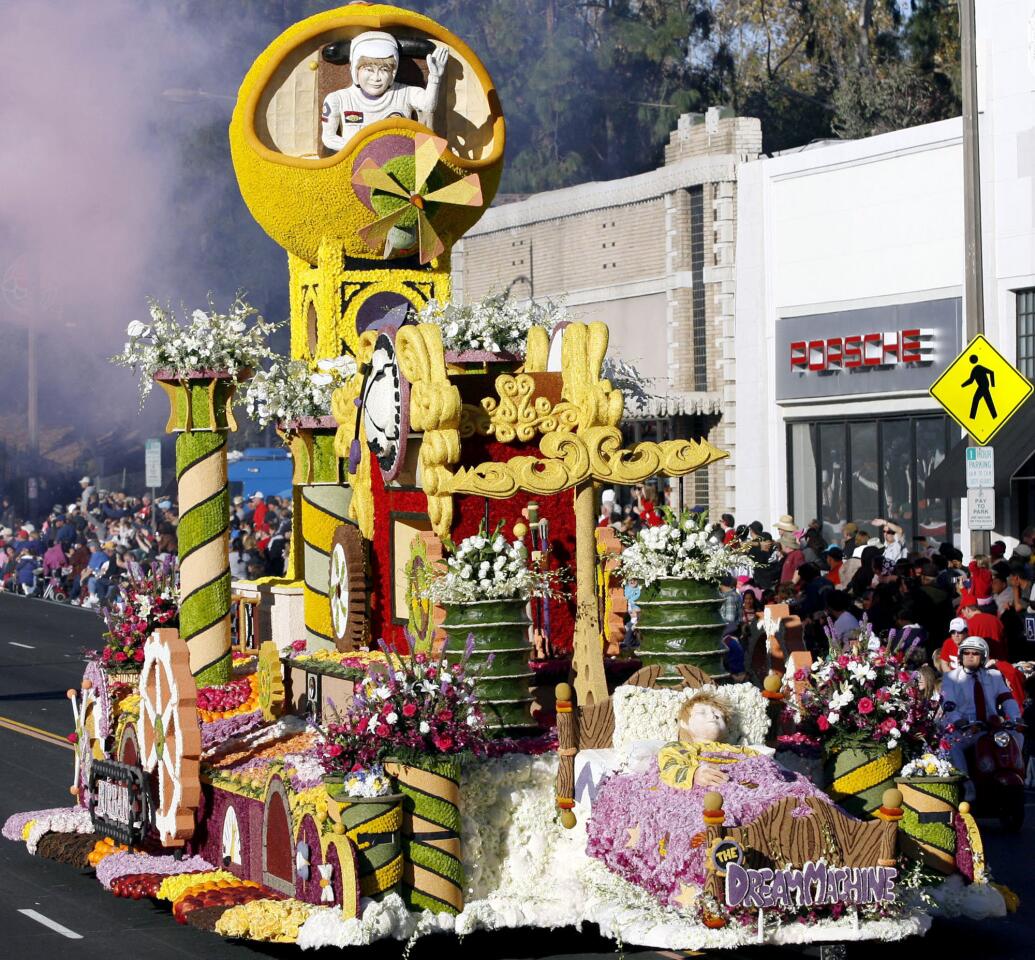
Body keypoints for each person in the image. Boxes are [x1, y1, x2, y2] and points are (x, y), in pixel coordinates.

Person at [321, 31, 449, 150]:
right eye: (369, 70)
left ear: (393, 72)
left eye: (384, 69)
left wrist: (435, 78)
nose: (376, 78)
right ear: (355, 70)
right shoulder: (338, 99)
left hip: (399, 162)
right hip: (355, 165)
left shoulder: (405, 92)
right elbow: (328, 137)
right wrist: (364, 149)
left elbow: (428, 106)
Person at [940, 636, 1022, 801]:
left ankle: (1018, 773)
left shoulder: (995, 675)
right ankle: (966, 783)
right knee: (951, 746)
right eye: (967, 653)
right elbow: (949, 703)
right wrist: (958, 721)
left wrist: (1015, 718)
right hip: (964, 727)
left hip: (991, 727)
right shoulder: (950, 677)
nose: (970, 656)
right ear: (961, 656)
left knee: (1018, 736)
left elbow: (1007, 699)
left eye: (975, 653)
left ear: (983, 656)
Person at [957, 591, 1007, 660]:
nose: (963, 615)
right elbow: (1005, 643)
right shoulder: (996, 619)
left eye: (962, 612)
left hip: (982, 665)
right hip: (1000, 663)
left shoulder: (969, 624)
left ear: (967, 609)